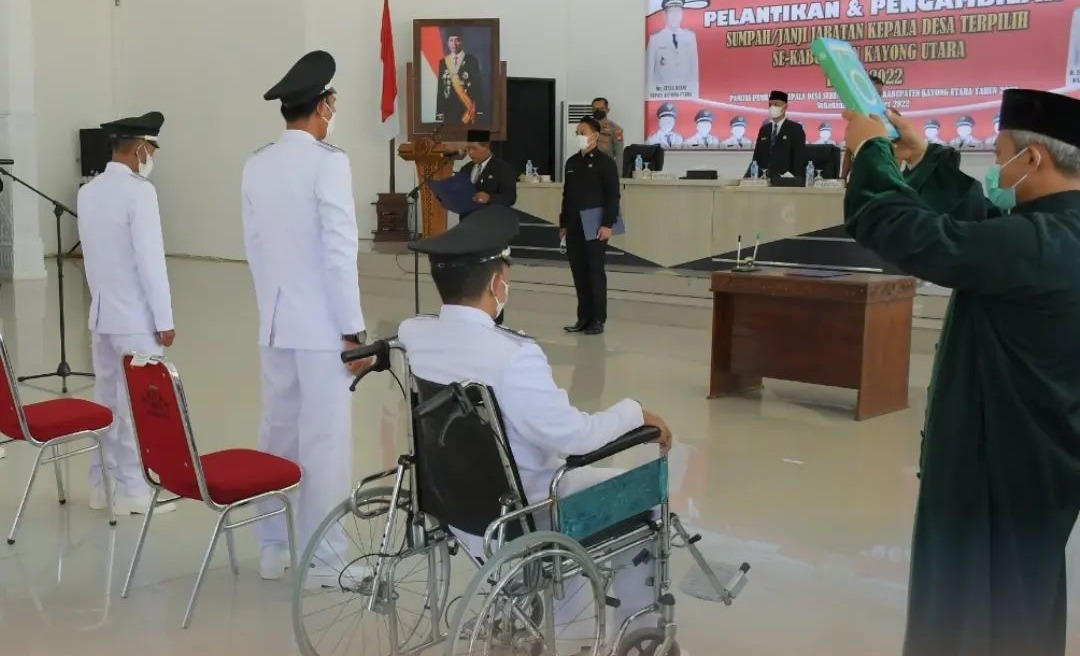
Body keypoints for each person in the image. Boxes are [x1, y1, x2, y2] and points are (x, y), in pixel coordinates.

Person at [842, 87, 1080, 656]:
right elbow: (984, 228)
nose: (996, 170)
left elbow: (911, 233)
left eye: (999, 156)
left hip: (996, 462)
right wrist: (925, 158)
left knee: (965, 611)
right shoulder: (1054, 232)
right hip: (1042, 460)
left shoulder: (1041, 242)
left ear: (1033, 158)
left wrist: (871, 154)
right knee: (1022, 597)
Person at [399, 206, 674, 645]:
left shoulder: (414, 333)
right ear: (497, 283)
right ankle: (636, 631)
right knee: (649, 499)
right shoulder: (513, 355)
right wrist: (634, 413)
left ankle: (561, 617)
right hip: (523, 512)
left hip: (453, 506)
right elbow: (574, 437)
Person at [243, 50, 368, 583]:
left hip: (275, 325)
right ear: (323, 107)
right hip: (322, 330)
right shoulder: (329, 163)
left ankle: (274, 547)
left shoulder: (257, 163)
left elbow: (254, 248)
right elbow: (340, 253)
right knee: (325, 443)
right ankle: (327, 557)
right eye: (332, 103)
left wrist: (271, 311)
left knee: (279, 436)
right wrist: (353, 330)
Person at [77, 111, 177, 516]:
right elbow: (150, 262)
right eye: (152, 149)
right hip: (136, 319)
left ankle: (101, 486)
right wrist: (164, 319)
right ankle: (135, 490)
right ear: (140, 150)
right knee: (140, 407)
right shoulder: (140, 193)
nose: (152, 157)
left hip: (102, 315)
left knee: (106, 404)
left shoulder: (89, 191)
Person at [561, 117, 620, 336]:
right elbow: (566, 195)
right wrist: (563, 223)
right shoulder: (572, 162)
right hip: (574, 225)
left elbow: (613, 196)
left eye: (583, 132)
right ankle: (583, 318)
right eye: (577, 132)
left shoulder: (605, 162)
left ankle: (598, 319)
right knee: (579, 273)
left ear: (595, 135)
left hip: (595, 224)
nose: (579, 136)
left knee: (595, 273)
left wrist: (608, 224)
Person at [460, 129, 517, 325]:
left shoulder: (502, 169)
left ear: (486, 147)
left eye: (474, 148)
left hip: (492, 231)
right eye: (468, 149)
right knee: (470, 277)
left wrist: (490, 198)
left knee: (492, 276)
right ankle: (472, 317)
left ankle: (495, 320)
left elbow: (510, 198)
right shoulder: (466, 169)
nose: (470, 153)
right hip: (469, 229)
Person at [646, 0, 700, 100]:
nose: (675, 16)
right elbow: (649, 76)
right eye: (671, 12)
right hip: (661, 97)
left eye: (678, 12)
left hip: (685, 97)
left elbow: (694, 73)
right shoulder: (655, 39)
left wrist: (694, 98)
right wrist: (650, 98)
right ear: (665, 15)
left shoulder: (690, 37)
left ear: (682, 14)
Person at [747, 90, 806, 178]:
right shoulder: (764, 129)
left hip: (785, 179)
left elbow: (799, 159)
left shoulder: (795, 128)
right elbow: (756, 157)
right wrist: (749, 177)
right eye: (770, 105)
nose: (772, 107)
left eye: (776, 104)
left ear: (785, 107)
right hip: (764, 179)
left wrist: (796, 179)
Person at [436, 29, 484, 125]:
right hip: (449, 108)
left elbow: (477, 86)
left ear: (462, 42)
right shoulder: (443, 62)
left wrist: (479, 110)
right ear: (447, 42)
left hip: (466, 108)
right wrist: (440, 111)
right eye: (451, 40)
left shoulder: (471, 60)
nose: (454, 44)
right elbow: (441, 87)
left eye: (457, 40)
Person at [842, 76, 886, 179]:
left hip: (882, 176)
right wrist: (842, 179)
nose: (878, 98)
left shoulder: (888, 116)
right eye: (875, 94)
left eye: (880, 95)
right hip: (858, 177)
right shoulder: (858, 118)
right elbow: (849, 152)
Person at [591, 97, 625, 165]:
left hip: (606, 166)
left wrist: (618, 172)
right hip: (588, 166)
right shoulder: (586, 127)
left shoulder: (616, 130)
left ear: (607, 110)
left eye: (601, 108)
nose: (598, 111)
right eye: (595, 109)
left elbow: (619, 155)